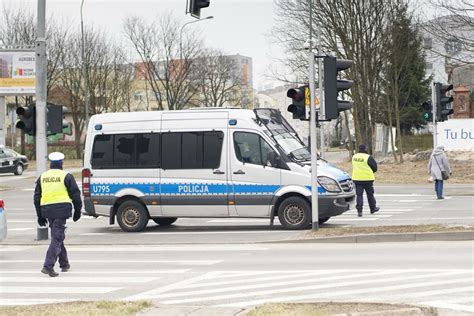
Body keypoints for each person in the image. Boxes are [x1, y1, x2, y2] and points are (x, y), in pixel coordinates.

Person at [34, 152, 82, 277]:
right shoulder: (66, 176)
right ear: (61, 163)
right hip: (61, 211)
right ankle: (48, 266)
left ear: (50, 164)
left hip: (48, 211)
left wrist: (39, 215)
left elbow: (37, 197)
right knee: (57, 238)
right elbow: (76, 195)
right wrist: (78, 211)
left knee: (57, 236)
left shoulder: (42, 177)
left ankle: (64, 263)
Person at [351, 144, 380, 217]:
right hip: (367, 179)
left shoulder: (354, 157)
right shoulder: (368, 157)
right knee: (370, 194)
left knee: (359, 195)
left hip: (357, 178)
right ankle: (373, 208)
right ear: (365, 149)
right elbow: (375, 167)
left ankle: (359, 211)